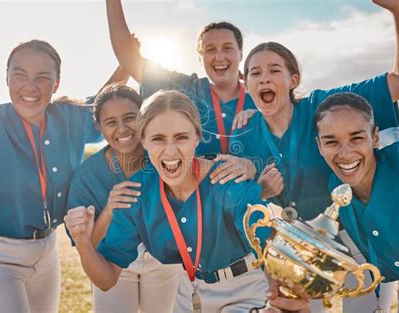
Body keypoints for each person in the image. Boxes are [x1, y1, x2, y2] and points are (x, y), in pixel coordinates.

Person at [64, 89, 272, 312]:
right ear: (143, 141)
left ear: (197, 136)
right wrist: (84, 244)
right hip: (190, 291)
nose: (170, 151)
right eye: (158, 139)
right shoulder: (136, 193)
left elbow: (271, 250)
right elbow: (107, 280)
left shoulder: (230, 179)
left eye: (181, 137)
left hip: (245, 290)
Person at [229, 0, 399, 221]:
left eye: (274, 70)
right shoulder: (242, 133)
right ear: (246, 85)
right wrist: (260, 191)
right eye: (255, 73)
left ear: (293, 80)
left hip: (344, 239)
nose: (264, 77)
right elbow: (234, 201)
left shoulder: (326, 106)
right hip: (282, 244)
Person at [0, 39, 103, 312]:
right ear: (6, 78)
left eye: (42, 77)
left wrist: (126, 63)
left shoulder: (70, 117)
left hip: (47, 252)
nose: (30, 86)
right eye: (20, 75)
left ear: (56, 83)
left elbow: (106, 104)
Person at [315, 92, 399, 313]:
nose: (345, 153)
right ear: (320, 146)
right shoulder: (337, 187)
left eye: (357, 138)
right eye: (331, 142)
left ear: (375, 137)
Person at [66, 83, 181, 312]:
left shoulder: (165, 156)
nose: (122, 129)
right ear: (99, 126)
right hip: (111, 262)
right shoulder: (87, 175)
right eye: (110, 122)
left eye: (130, 117)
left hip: (163, 263)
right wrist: (109, 210)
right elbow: (89, 244)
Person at [105, 0, 257, 159]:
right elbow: (129, 59)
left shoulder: (263, 98)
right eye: (210, 49)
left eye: (227, 48)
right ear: (200, 58)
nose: (219, 57)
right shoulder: (186, 89)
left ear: (240, 53)